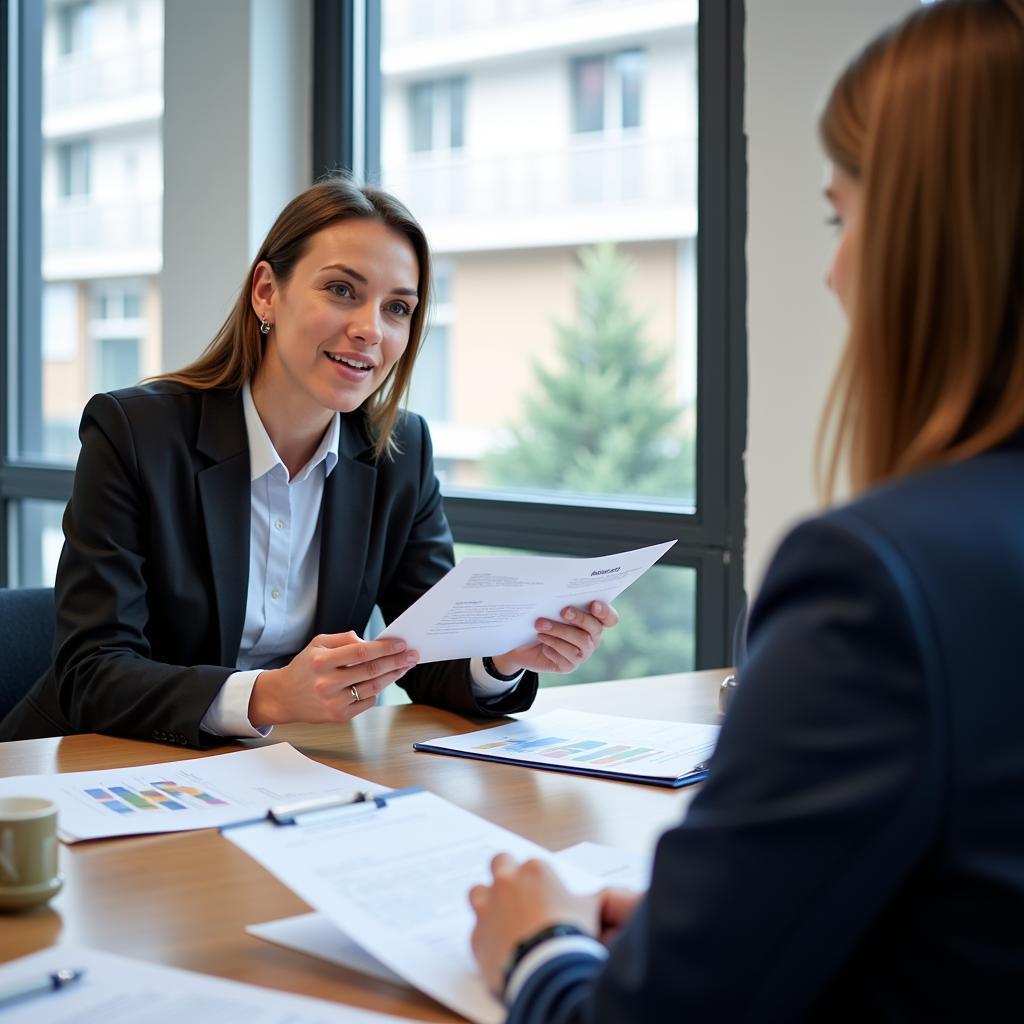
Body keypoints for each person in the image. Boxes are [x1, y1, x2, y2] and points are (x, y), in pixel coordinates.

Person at [468, 1, 1024, 1018]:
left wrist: (538, 949)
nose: (831, 265)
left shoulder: (877, 579)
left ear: (922, 237)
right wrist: (731, 931)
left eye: (840, 215)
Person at [0, 179, 618, 747]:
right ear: (267, 292)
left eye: (397, 308)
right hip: (96, 767)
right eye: (342, 290)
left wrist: (503, 656)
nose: (370, 330)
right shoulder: (135, 433)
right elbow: (92, 670)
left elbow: (427, 652)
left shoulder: (399, 453)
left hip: (281, 776)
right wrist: (270, 695)